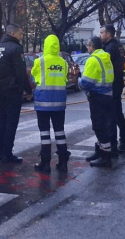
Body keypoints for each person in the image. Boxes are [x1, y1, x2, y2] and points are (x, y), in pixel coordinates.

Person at [0, 24, 34, 164]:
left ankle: (1, 151)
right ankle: (8, 152)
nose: (22, 36)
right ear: (12, 33)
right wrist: (28, 90)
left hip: (0, 90)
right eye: (20, 33)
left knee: (2, 120)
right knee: (11, 122)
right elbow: (21, 72)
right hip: (13, 90)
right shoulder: (16, 49)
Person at [31, 34, 71, 173]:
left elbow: (35, 77)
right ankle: (63, 161)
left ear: (46, 45)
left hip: (43, 102)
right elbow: (65, 79)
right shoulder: (63, 63)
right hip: (59, 102)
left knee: (45, 133)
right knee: (60, 131)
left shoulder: (39, 61)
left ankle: (45, 162)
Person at [80, 36, 116, 168]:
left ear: (92, 46)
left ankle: (105, 157)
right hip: (108, 95)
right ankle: (101, 152)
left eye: (88, 45)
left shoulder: (93, 60)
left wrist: (79, 81)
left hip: (97, 96)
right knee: (104, 125)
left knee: (99, 126)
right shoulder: (106, 58)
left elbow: (86, 82)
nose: (87, 47)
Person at [100, 24, 125, 157]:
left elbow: (106, 66)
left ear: (108, 34)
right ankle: (123, 142)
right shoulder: (117, 46)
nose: (100, 35)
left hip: (113, 84)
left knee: (113, 115)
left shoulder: (110, 48)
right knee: (118, 114)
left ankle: (116, 144)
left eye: (102, 33)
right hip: (117, 82)